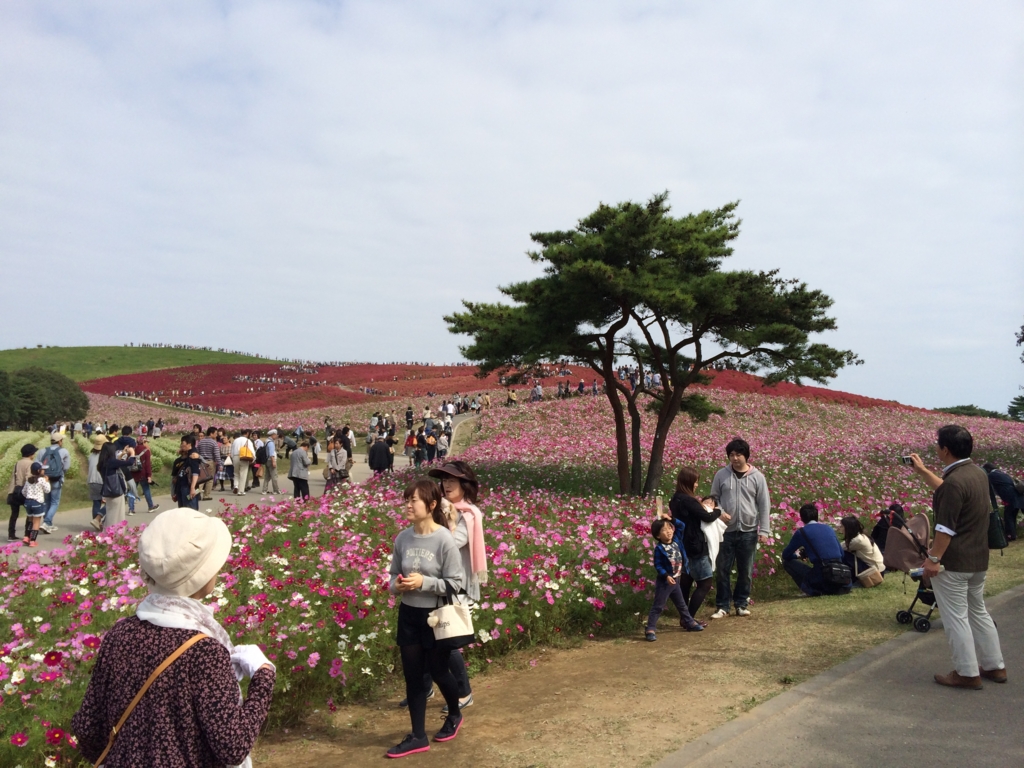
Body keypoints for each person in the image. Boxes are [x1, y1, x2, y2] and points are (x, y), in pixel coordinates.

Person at [72, 508, 276, 766]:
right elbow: (232, 747)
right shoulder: (204, 651)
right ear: (200, 575)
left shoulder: (120, 634)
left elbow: (88, 728)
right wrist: (264, 676)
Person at [909, 425, 1006, 688]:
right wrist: (923, 472)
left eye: (938, 444)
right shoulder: (977, 474)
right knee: (978, 612)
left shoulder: (954, 482)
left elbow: (945, 528)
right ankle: (995, 666)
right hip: (977, 560)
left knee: (955, 618)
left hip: (954, 563)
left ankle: (966, 672)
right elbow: (951, 492)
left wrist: (934, 559)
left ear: (945, 450)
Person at [387, 478, 466, 757]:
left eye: (413, 500)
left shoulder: (444, 538)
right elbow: (392, 574)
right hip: (409, 614)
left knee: (438, 670)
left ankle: (455, 713)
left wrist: (425, 583)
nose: (407, 505)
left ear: (431, 505)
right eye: (406, 500)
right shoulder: (403, 537)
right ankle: (418, 735)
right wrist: (395, 586)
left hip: (436, 617)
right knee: (413, 677)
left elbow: (456, 583)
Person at [418, 462, 487, 713]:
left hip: (458, 586)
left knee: (449, 641)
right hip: (437, 583)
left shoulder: (469, 515)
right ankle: (423, 688)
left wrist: (440, 519)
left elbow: (449, 543)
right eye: (444, 480)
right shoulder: (445, 510)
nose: (446, 485)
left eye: (452, 481)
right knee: (426, 636)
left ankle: (463, 692)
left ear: (464, 485)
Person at [709, 438, 771, 618]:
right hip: (725, 531)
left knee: (746, 570)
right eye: (731, 455)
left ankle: (741, 603)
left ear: (746, 455)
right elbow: (713, 499)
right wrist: (719, 512)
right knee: (722, 569)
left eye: (738, 454)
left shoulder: (757, 477)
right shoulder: (721, 475)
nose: (734, 458)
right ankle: (722, 605)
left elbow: (764, 505)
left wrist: (764, 531)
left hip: (748, 531)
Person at [669, 467, 731, 624]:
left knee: (686, 582)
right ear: (688, 482)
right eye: (695, 481)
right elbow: (707, 516)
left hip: (682, 544)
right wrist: (717, 511)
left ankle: (685, 617)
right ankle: (688, 618)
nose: (696, 485)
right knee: (705, 582)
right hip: (695, 546)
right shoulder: (689, 500)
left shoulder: (675, 499)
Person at [645, 516, 703, 641]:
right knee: (658, 606)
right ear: (658, 535)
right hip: (665, 582)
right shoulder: (659, 549)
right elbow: (658, 565)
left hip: (676, 579)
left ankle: (689, 622)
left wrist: (671, 519)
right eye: (664, 530)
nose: (669, 531)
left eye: (670, 528)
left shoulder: (677, 540)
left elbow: (681, 525)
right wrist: (666, 576)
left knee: (681, 604)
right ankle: (650, 628)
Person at [781, 504, 852, 596]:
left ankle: (809, 589)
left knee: (787, 563)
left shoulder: (802, 532)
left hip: (822, 576)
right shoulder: (828, 528)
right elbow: (841, 554)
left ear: (802, 518)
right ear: (817, 516)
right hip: (841, 576)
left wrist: (797, 556)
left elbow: (785, 555)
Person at [38, 432, 71, 534]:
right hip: (57, 479)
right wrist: (60, 473)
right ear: (59, 441)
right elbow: (66, 467)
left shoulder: (42, 451)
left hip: (45, 479)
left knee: (47, 501)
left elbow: (37, 464)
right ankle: (47, 522)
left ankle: (49, 524)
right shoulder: (64, 451)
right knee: (54, 502)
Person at [982, 462, 1022, 543]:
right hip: (1017, 497)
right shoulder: (1002, 473)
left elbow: (986, 484)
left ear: (988, 470)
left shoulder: (992, 475)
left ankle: (1010, 535)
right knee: (1012, 515)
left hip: (1010, 497)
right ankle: (1013, 535)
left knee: (1008, 516)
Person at [98, 440, 136, 527]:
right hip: (116, 492)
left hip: (108, 491)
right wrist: (132, 453)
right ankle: (115, 533)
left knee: (110, 514)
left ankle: (108, 532)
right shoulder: (112, 462)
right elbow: (129, 463)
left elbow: (115, 462)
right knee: (118, 516)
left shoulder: (103, 463)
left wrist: (122, 453)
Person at [6, 443, 37, 542]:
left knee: (14, 514)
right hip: (24, 492)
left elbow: (13, 477)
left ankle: (11, 534)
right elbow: (29, 477)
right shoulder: (30, 463)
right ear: (31, 454)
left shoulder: (17, 463)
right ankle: (27, 535)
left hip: (14, 491)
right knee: (30, 514)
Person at [839, 515, 885, 580]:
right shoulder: (861, 536)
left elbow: (838, 548)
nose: (839, 528)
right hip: (878, 570)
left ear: (848, 528)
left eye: (841, 526)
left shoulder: (858, 541)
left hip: (874, 572)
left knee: (845, 555)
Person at [20, 461, 50, 547]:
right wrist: (47, 481)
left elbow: (23, 492)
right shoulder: (42, 480)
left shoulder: (28, 480)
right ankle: (32, 540)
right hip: (37, 502)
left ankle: (26, 536)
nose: (44, 471)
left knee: (30, 520)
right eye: (42, 469)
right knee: (36, 522)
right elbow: (47, 490)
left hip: (28, 502)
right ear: (38, 471)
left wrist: (29, 495)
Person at [171, 435, 202, 510]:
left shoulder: (193, 455)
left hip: (187, 487)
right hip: (181, 486)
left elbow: (195, 473)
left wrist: (192, 488)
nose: (181, 445)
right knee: (182, 511)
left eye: (183, 443)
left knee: (190, 511)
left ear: (189, 444)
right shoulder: (186, 455)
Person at [131, 435, 160, 513]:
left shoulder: (133, 449)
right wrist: (149, 476)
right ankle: (150, 506)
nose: (147, 443)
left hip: (133, 473)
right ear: (143, 442)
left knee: (132, 490)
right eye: (146, 442)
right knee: (146, 489)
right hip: (143, 474)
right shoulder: (146, 451)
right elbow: (147, 465)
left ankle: (131, 509)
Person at [196, 427, 222, 501]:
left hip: (201, 462)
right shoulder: (214, 442)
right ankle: (206, 495)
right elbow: (217, 454)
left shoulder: (201, 442)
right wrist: (220, 464)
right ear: (211, 433)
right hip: (210, 462)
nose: (216, 435)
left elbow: (197, 452)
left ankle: (197, 493)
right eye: (215, 433)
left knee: (201, 479)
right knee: (209, 479)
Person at [87, 435, 106, 530]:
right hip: (101, 480)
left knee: (96, 502)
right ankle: (98, 519)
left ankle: (96, 521)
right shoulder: (104, 456)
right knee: (110, 502)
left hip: (91, 480)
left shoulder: (91, 455)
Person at [230, 429, 256, 495]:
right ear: (247, 433)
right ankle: (241, 490)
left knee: (236, 473)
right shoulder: (248, 440)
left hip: (235, 457)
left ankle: (235, 486)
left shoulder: (235, 440)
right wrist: (253, 459)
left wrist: (233, 458)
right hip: (244, 457)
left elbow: (232, 451)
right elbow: (252, 451)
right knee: (243, 474)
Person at [262, 429, 281, 493]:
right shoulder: (271, 443)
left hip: (267, 460)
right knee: (274, 476)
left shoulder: (266, 441)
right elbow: (271, 454)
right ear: (273, 435)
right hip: (271, 460)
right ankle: (276, 490)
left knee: (267, 476)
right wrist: (273, 461)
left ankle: (264, 490)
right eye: (276, 435)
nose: (276, 436)